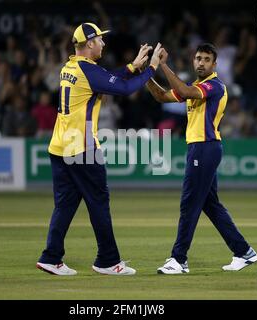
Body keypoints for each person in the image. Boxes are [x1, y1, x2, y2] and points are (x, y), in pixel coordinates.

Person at [36, 22, 163, 276]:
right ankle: (107, 260)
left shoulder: (70, 66)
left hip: (60, 144)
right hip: (81, 146)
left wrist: (132, 66)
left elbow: (108, 78)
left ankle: (51, 257)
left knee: (66, 203)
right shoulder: (87, 70)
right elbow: (124, 88)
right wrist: (151, 69)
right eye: (100, 40)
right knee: (98, 202)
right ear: (90, 43)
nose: (104, 43)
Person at [146, 43, 257, 273]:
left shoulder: (214, 86)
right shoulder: (197, 86)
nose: (201, 62)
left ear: (214, 64)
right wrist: (145, 74)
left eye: (206, 59)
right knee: (210, 204)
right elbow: (161, 96)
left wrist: (163, 65)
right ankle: (244, 252)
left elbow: (186, 92)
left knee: (189, 203)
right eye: (198, 58)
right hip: (200, 148)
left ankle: (179, 259)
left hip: (205, 148)